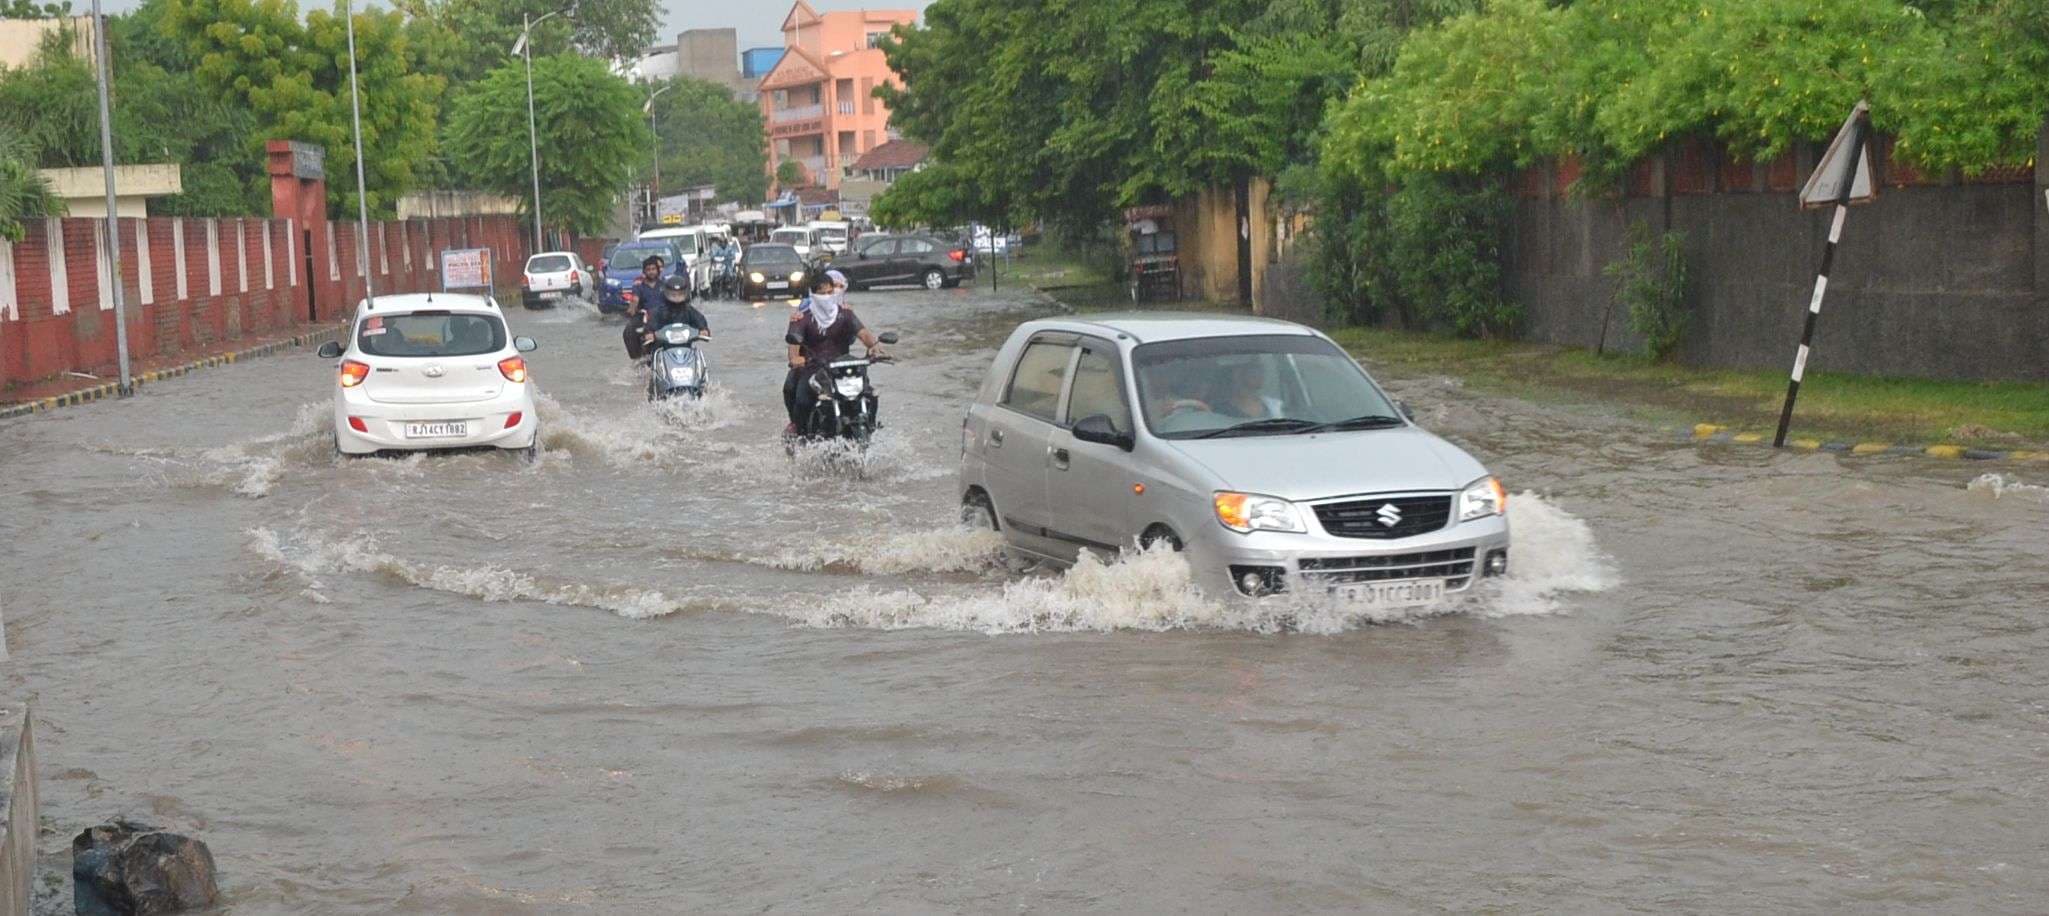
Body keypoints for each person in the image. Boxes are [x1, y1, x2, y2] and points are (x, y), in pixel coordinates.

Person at [783, 272, 887, 435]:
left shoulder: (845, 314)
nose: (827, 297)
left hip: (843, 368)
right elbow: (793, 349)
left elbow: (863, 333)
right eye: (822, 293)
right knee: (802, 401)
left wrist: (874, 346)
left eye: (830, 293)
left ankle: (870, 428)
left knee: (870, 395)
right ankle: (800, 435)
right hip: (814, 368)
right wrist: (797, 359)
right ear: (813, 294)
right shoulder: (801, 318)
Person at [640, 274, 710, 351]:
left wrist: (703, 329)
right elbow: (652, 323)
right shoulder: (660, 311)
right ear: (666, 293)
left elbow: (699, 319)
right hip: (663, 347)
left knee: (697, 355)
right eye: (673, 294)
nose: (677, 297)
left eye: (680, 294)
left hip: (686, 347)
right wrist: (650, 333)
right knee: (653, 354)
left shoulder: (689, 310)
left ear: (685, 293)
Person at [621, 255, 666, 359]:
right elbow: (635, 300)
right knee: (629, 331)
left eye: (653, 269)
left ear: (658, 270)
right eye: (648, 269)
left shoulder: (665, 285)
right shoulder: (638, 286)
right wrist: (631, 309)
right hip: (645, 317)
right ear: (644, 271)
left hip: (664, 316)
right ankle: (637, 359)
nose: (651, 272)